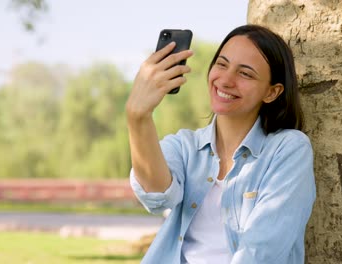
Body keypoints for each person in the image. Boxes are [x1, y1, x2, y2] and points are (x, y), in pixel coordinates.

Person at [126, 24, 316, 264]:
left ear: (272, 92)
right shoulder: (184, 146)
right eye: (222, 64)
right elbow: (156, 199)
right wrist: (138, 116)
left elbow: (262, 251)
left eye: (245, 73)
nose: (225, 80)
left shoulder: (288, 150)